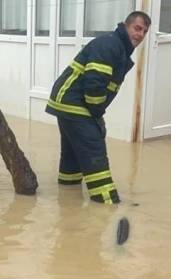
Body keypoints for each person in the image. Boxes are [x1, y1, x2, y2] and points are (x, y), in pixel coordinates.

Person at [45, 11, 150, 204]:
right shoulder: (111, 45)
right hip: (74, 103)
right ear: (126, 26)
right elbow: (94, 84)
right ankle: (106, 202)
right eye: (137, 28)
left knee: (73, 153)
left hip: (68, 102)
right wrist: (97, 116)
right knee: (94, 149)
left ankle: (68, 198)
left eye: (144, 31)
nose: (140, 34)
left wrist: (96, 114)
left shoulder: (118, 47)